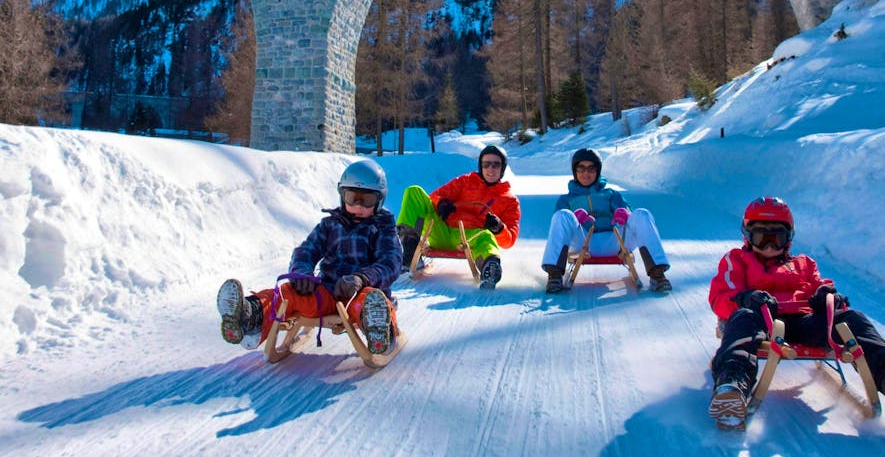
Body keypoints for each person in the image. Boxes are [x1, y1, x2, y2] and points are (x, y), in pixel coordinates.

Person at [708, 196, 885, 432]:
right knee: (741, 318)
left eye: (777, 237)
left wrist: (827, 296)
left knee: (853, 319)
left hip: (804, 322)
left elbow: (821, 286)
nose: (770, 246)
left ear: (788, 238)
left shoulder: (804, 263)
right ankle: (732, 385)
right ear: (748, 236)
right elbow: (721, 297)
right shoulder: (737, 260)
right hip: (761, 318)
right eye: (762, 237)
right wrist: (744, 298)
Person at [216, 159, 403, 355]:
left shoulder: (383, 228)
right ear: (342, 196)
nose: (358, 206)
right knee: (287, 293)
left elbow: (390, 262)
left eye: (367, 200)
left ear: (379, 200)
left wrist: (362, 278)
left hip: (360, 292)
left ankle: (379, 331)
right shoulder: (329, 225)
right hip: (327, 292)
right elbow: (306, 251)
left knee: (371, 302)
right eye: (352, 198)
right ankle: (249, 315)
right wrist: (302, 273)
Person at [541, 148, 672, 294]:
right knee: (562, 215)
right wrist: (575, 219)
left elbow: (627, 211)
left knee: (642, 214)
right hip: (583, 243)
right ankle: (554, 275)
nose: (586, 173)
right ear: (575, 171)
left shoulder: (610, 194)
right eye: (581, 168)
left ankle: (658, 275)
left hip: (615, 241)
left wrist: (624, 212)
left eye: (591, 169)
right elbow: (558, 225)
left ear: (598, 171)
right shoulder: (566, 199)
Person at [395, 144, 520, 290]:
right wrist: (441, 203)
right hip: (441, 230)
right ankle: (410, 252)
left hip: (470, 238)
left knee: (486, 236)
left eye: (495, 165)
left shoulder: (509, 200)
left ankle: (489, 268)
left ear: (502, 168)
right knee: (414, 191)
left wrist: (499, 228)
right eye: (486, 164)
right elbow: (436, 195)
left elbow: (509, 240)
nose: (490, 169)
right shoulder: (466, 181)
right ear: (481, 166)